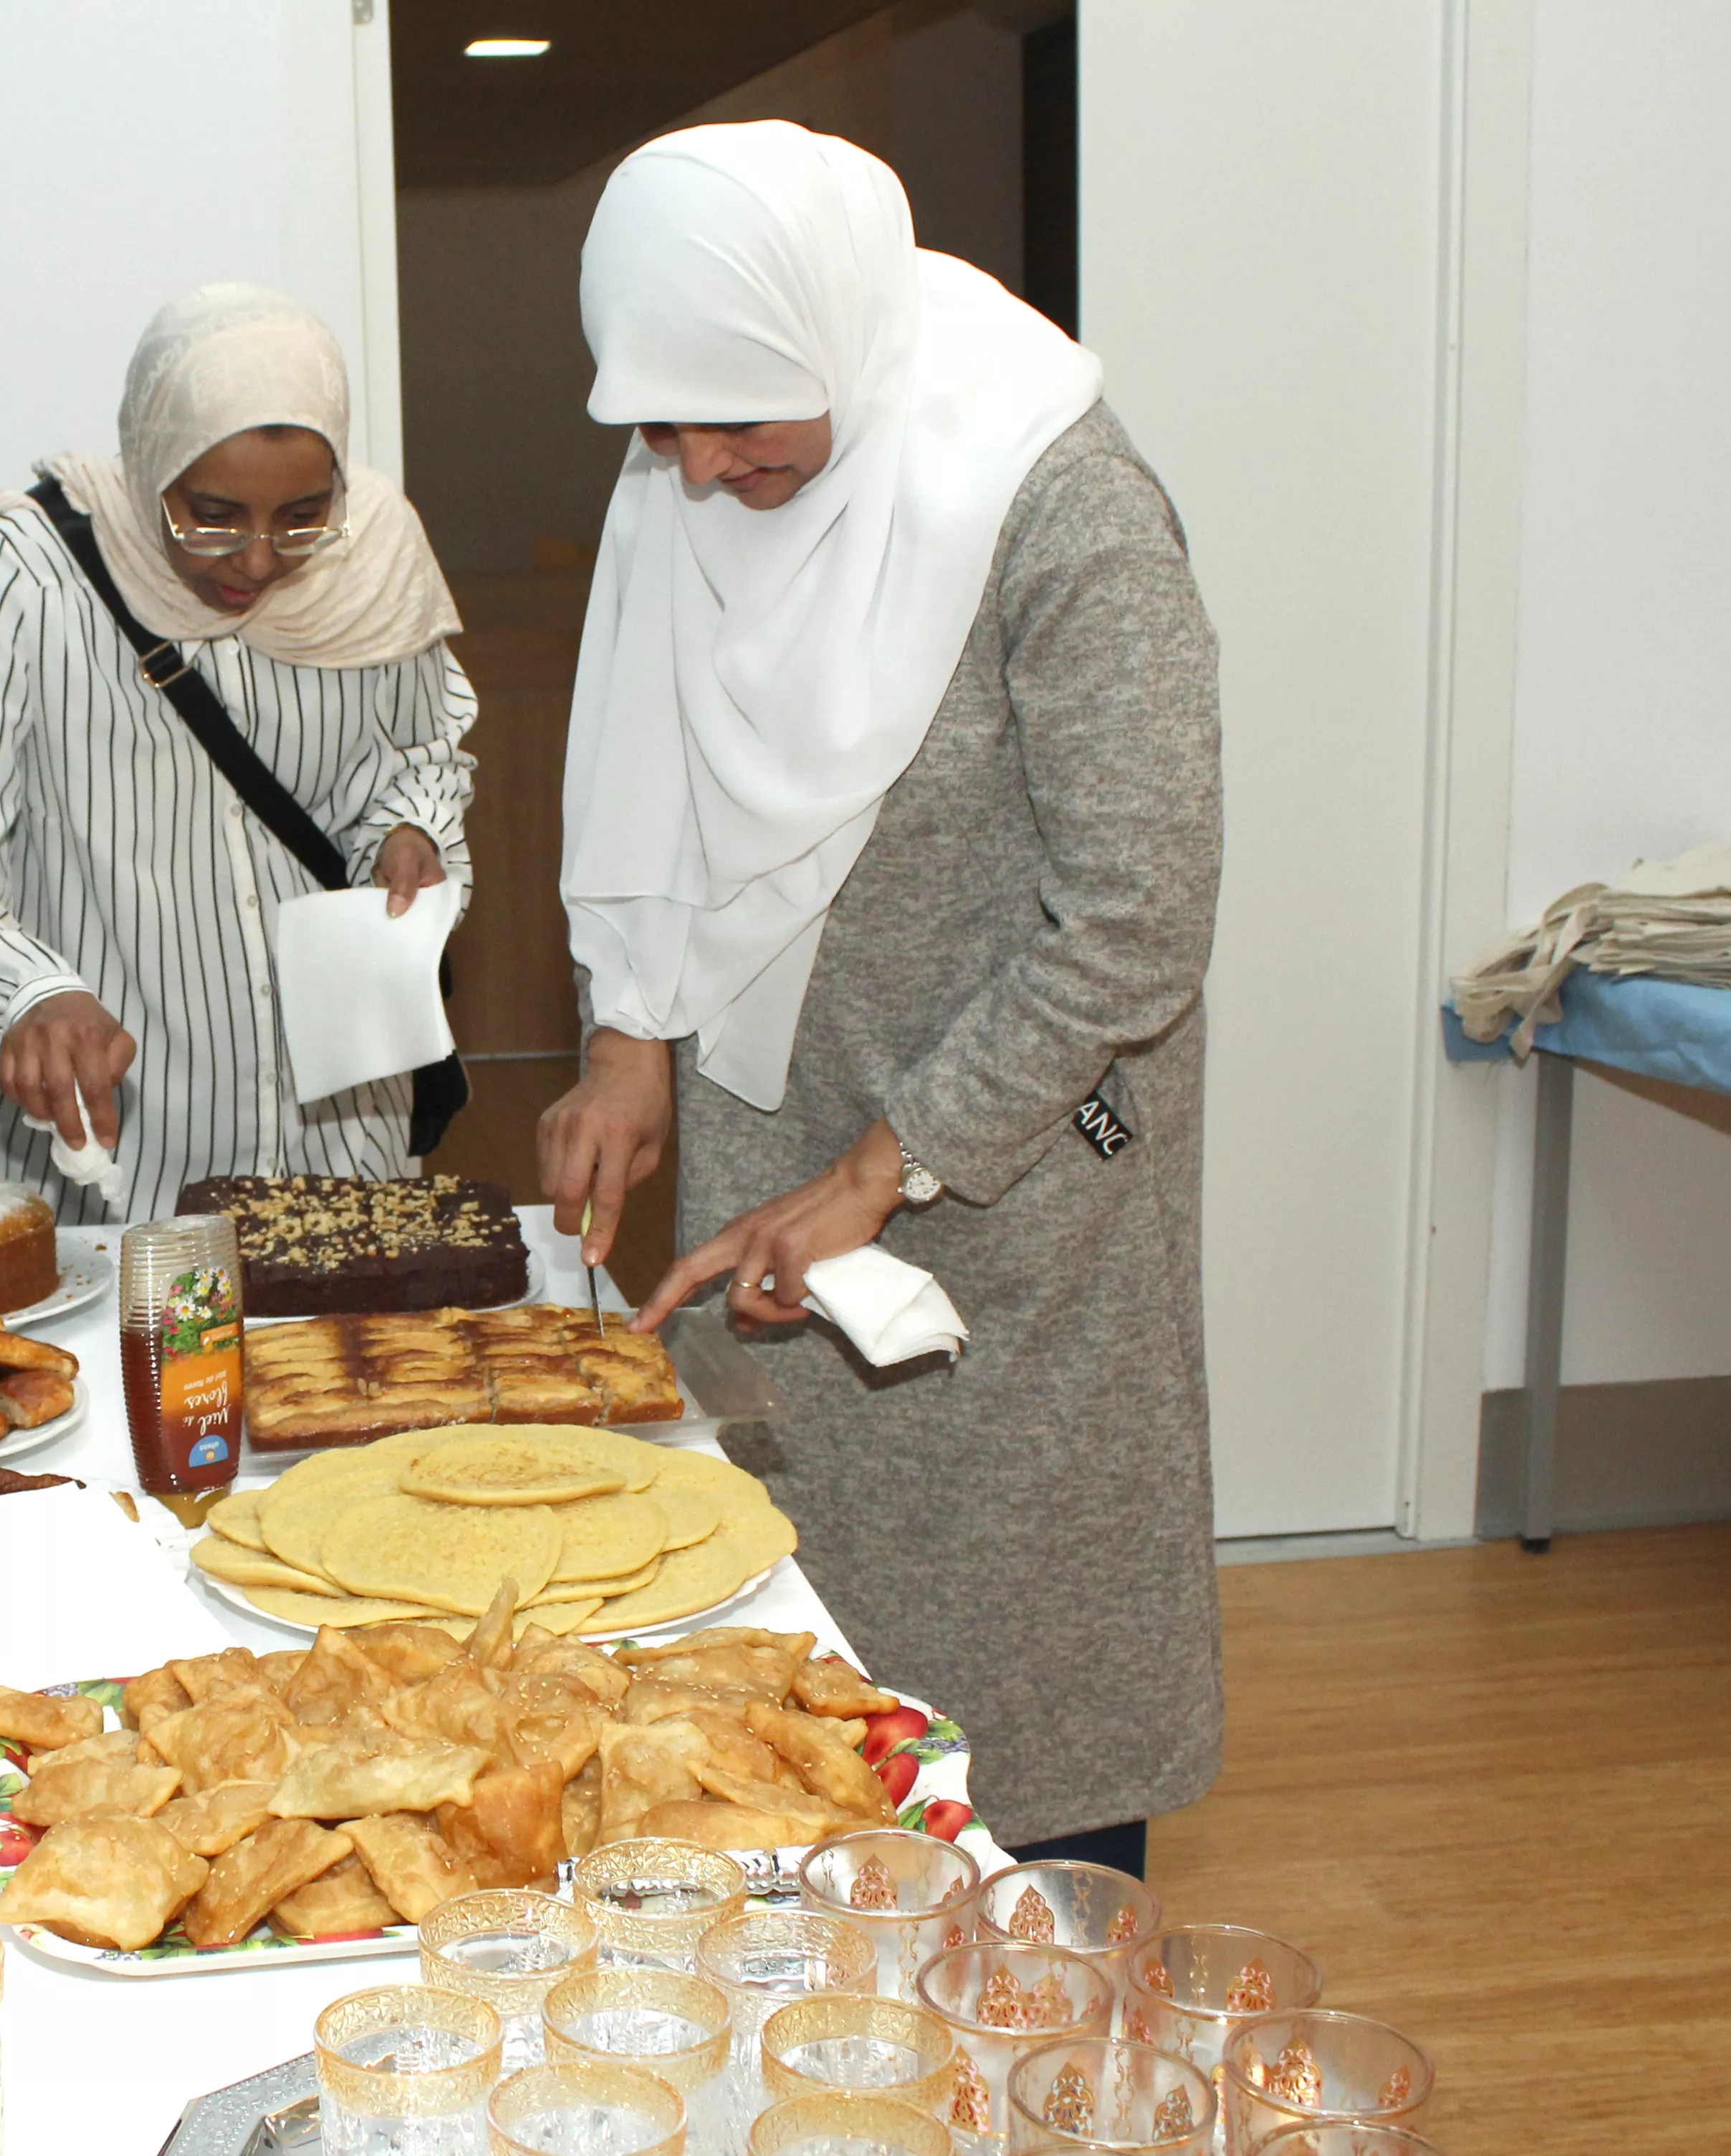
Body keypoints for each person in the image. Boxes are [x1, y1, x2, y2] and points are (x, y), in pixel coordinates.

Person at [538, 124, 1224, 1869]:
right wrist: (629, 1037)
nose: (697, 471)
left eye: (739, 425)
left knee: (1022, 1696)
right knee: (765, 1707)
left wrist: (886, 1163)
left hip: (1014, 1174)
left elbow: (1136, 920)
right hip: (774, 1134)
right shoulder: (703, 448)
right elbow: (648, 767)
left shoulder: (1055, 497)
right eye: (660, 429)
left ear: (834, 336)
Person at [0, 285, 477, 1218]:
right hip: (120, 1177)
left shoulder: (375, 557)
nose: (260, 559)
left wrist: (410, 831)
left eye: (303, 515)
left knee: (345, 1366)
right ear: (152, 459)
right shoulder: (31, 573)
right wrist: (28, 998)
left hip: (344, 1159)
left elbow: (420, 749)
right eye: (214, 514)